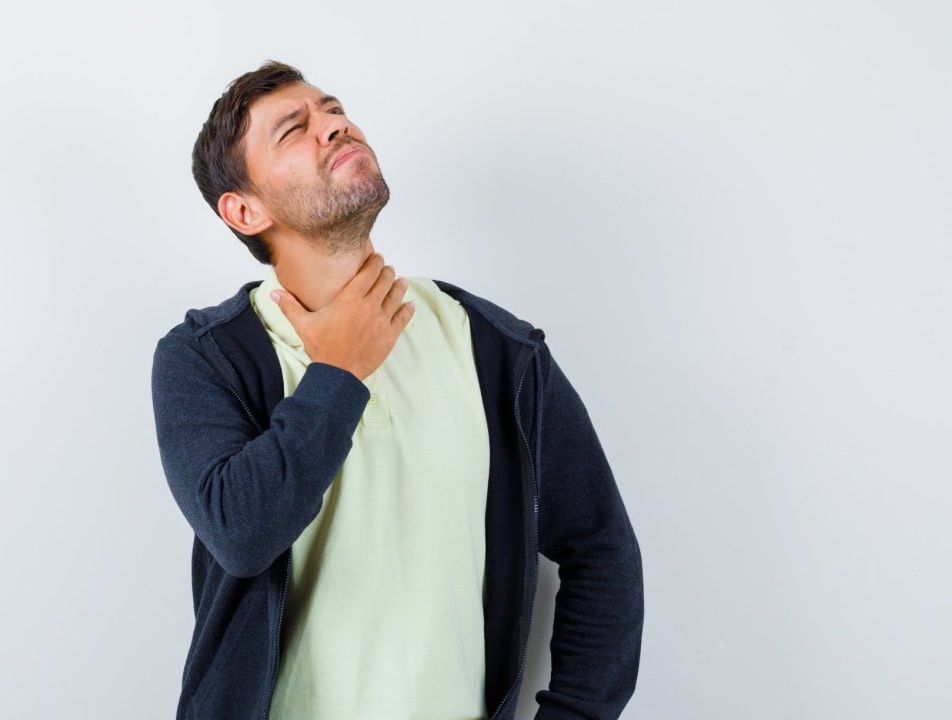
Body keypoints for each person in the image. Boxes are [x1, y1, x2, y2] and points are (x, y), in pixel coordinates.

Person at [150, 60, 644, 720]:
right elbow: (241, 534)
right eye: (294, 128)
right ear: (245, 210)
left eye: (333, 109)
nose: (334, 126)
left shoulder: (495, 348)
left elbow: (601, 548)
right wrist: (339, 372)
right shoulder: (205, 357)